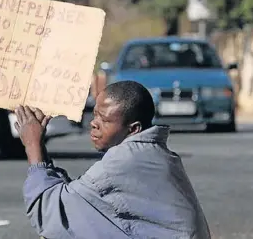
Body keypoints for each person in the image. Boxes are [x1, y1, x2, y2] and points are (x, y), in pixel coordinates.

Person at [14, 80, 211, 239]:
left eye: (105, 120)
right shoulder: (156, 154)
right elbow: (71, 199)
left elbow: (48, 212)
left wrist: (32, 145)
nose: (94, 124)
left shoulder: (123, 162)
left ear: (133, 129)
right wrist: (39, 147)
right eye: (95, 115)